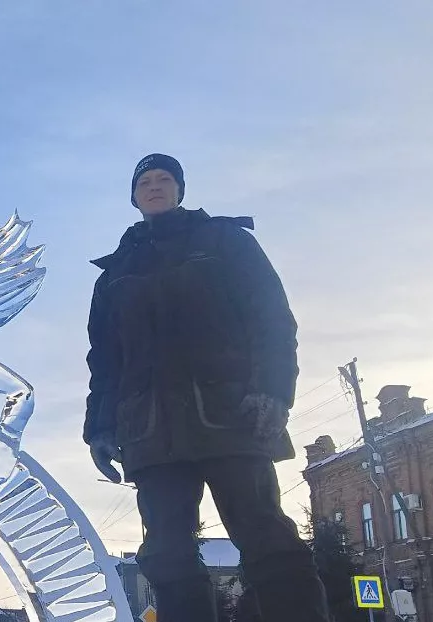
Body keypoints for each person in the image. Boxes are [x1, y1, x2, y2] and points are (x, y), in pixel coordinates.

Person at [83, 154, 330, 621]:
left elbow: (272, 319)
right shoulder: (114, 272)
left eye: (165, 179)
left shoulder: (224, 241)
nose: (155, 187)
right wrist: (99, 427)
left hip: (229, 413)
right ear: (134, 197)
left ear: (179, 189)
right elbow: (106, 360)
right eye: (145, 182)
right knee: (166, 552)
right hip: (150, 429)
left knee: (265, 535)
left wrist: (274, 391)